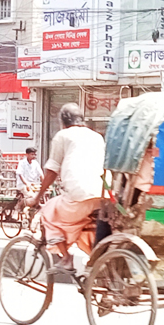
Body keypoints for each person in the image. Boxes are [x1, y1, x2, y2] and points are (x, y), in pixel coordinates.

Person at [26, 104, 105, 271]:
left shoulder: (62, 136)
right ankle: (98, 267)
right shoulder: (97, 137)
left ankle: (66, 258)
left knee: (48, 212)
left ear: (63, 122)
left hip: (79, 195)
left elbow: (51, 170)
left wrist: (37, 198)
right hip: (101, 195)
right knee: (84, 225)